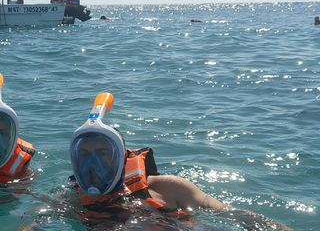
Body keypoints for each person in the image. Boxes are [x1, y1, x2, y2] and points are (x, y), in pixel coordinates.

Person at [69, 92, 291, 229]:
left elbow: (237, 215)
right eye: (84, 155)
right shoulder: (72, 200)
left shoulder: (166, 188)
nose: (92, 162)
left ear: (121, 157)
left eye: (102, 153)